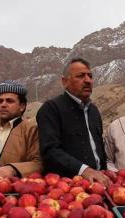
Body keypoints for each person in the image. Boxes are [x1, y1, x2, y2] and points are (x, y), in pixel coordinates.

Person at [36, 57, 111, 186]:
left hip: (98, 184)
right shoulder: (51, 109)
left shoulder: (94, 111)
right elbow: (50, 151)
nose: (88, 80)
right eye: (81, 76)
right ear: (65, 82)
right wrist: (84, 170)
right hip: (66, 188)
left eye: (90, 76)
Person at [0, 80, 41, 178]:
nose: (3, 104)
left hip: (21, 189)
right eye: (0, 101)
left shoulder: (32, 130)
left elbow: (39, 163)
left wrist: (13, 169)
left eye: (9, 101)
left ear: (22, 107)